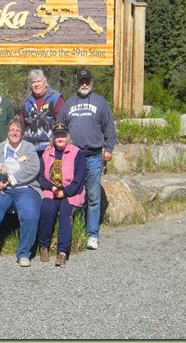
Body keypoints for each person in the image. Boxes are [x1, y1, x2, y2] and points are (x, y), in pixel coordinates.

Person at [57, 69, 117, 250]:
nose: (84, 84)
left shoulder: (100, 102)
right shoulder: (69, 103)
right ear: (77, 83)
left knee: (93, 196)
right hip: (73, 157)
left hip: (93, 156)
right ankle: (79, 231)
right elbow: (60, 127)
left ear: (92, 82)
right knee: (76, 195)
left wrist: (109, 148)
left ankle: (92, 235)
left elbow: (109, 127)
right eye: (81, 81)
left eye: (87, 81)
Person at [0, 119, 42, 268]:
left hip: (25, 187)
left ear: (22, 134)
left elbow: (33, 168)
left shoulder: (28, 148)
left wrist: (11, 179)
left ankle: (24, 253)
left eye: (17, 131)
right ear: (7, 132)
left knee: (30, 215)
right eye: (12, 130)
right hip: (0, 188)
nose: (14, 133)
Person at [38, 122, 86, 268]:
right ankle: (43, 246)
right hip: (52, 190)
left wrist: (65, 192)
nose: (60, 138)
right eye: (57, 135)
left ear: (67, 137)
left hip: (71, 192)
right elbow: (41, 177)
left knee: (66, 212)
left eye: (63, 135)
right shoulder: (47, 153)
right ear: (53, 138)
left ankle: (62, 252)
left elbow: (79, 180)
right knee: (47, 209)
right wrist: (52, 188)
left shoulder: (77, 153)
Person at [20, 69, 65, 156]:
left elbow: (62, 124)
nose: (36, 84)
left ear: (45, 82)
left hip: (52, 148)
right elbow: (21, 126)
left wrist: (54, 143)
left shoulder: (56, 98)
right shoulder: (26, 102)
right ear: (30, 85)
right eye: (33, 82)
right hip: (30, 150)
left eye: (39, 81)